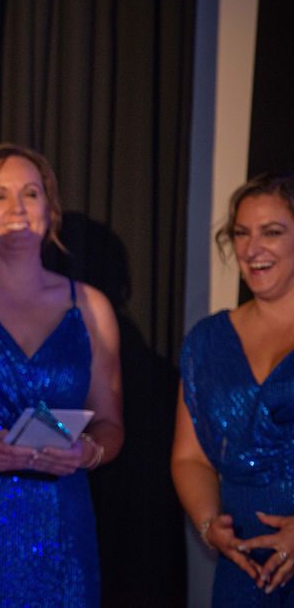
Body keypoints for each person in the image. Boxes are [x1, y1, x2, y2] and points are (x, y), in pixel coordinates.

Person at [0, 143, 124, 606]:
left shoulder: (90, 306)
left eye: (31, 194)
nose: (17, 208)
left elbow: (111, 425)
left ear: (50, 209)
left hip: (62, 531)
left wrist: (88, 451)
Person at [171, 172, 294, 605]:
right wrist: (210, 525)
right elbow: (189, 458)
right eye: (242, 233)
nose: (252, 248)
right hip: (242, 569)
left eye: (271, 232)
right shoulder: (208, 341)